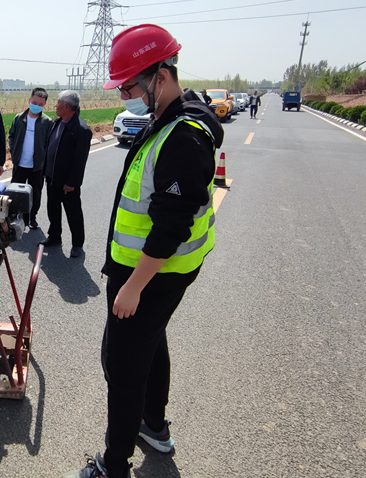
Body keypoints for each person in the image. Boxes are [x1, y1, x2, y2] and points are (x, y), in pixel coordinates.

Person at [64, 25, 223, 478]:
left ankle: (113, 466)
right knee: (151, 344)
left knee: (123, 366)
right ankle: (153, 425)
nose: (125, 96)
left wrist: (133, 286)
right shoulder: (169, 116)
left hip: (153, 272)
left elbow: (170, 226)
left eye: (130, 86)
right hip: (158, 270)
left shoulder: (184, 137)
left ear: (161, 76)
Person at [40, 90, 92, 258]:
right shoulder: (57, 122)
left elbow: (80, 161)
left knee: (73, 213)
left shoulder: (81, 130)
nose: (55, 105)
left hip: (67, 183)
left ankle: (77, 245)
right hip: (52, 177)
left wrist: (72, 182)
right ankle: (54, 237)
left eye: (58, 102)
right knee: (53, 209)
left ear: (67, 106)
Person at [8, 87, 53, 229]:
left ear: (44, 104)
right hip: (20, 164)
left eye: (40, 104)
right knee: (16, 192)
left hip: (37, 166)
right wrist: (14, 151)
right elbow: (11, 135)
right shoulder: (19, 118)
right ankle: (16, 216)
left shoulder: (47, 122)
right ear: (29, 100)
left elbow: (49, 143)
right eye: (34, 103)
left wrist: (44, 161)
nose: (36, 106)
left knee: (35, 194)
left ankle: (32, 217)